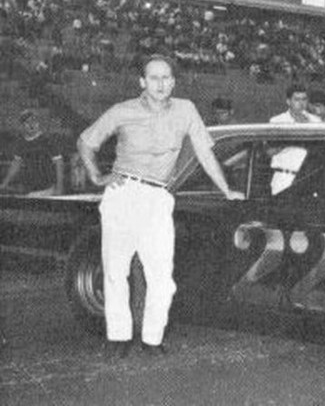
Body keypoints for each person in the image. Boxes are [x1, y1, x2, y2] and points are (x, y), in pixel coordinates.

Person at [77, 55, 243, 358]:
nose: (160, 84)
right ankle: (118, 338)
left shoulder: (186, 109)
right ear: (142, 82)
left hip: (158, 198)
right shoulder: (122, 111)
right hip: (123, 193)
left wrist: (226, 189)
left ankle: (152, 338)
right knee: (116, 270)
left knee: (163, 278)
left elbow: (205, 153)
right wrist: (96, 175)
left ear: (174, 82)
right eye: (153, 78)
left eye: (166, 78)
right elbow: (86, 142)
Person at [269, 84, 322, 194]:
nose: (301, 103)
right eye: (297, 99)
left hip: (310, 179)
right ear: (288, 101)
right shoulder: (277, 121)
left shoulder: (316, 122)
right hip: (284, 177)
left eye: (304, 99)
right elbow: (270, 151)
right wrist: (292, 138)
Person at [0, 109, 64, 196]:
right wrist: (4, 184)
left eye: (34, 121)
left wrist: (59, 188)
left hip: (47, 190)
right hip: (28, 190)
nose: (31, 125)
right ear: (22, 125)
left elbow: (59, 164)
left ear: (38, 123)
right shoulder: (21, 143)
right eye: (27, 122)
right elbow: (15, 165)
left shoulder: (48, 140)